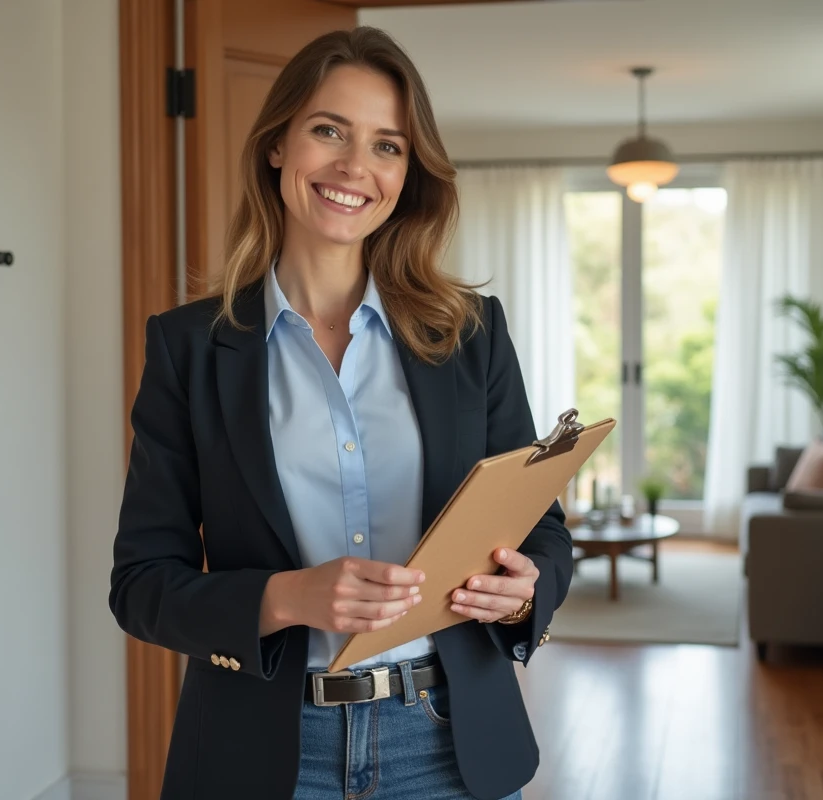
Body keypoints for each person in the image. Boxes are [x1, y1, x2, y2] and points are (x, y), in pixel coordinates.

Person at [108, 26, 572, 800]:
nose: (356, 168)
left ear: (408, 174)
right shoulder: (189, 348)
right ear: (278, 146)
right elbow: (142, 584)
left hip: (447, 746)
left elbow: (543, 531)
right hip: (260, 755)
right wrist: (287, 596)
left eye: (388, 146)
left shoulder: (472, 334)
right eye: (329, 131)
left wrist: (525, 590)